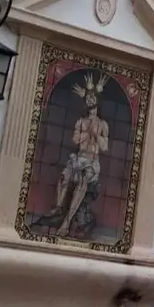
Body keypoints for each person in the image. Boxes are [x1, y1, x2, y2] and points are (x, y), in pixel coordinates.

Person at [42, 73, 110, 238]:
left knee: (83, 180)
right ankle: (58, 208)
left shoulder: (102, 124)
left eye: (92, 99)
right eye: (87, 99)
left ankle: (66, 223)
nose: (90, 102)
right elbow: (75, 139)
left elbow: (104, 147)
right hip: (79, 157)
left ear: (97, 102)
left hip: (92, 162)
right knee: (65, 176)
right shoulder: (81, 121)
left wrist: (96, 135)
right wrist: (86, 134)